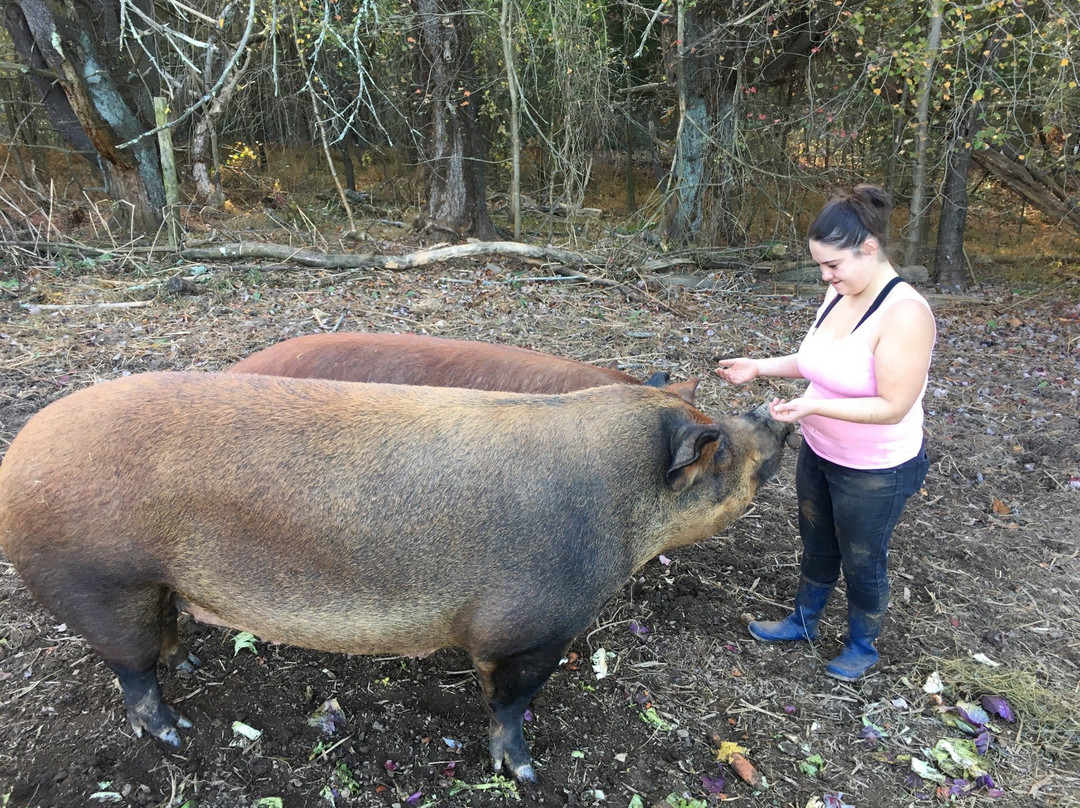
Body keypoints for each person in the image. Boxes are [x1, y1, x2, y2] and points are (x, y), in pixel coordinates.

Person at [717, 184, 935, 681]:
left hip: (875, 468)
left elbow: (894, 406)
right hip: (820, 449)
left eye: (833, 265)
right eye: (820, 266)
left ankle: (862, 645)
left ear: (871, 248)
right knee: (817, 542)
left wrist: (815, 405)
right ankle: (804, 621)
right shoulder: (839, 293)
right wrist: (760, 367)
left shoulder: (905, 314)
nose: (826, 276)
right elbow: (815, 360)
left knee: (862, 557)